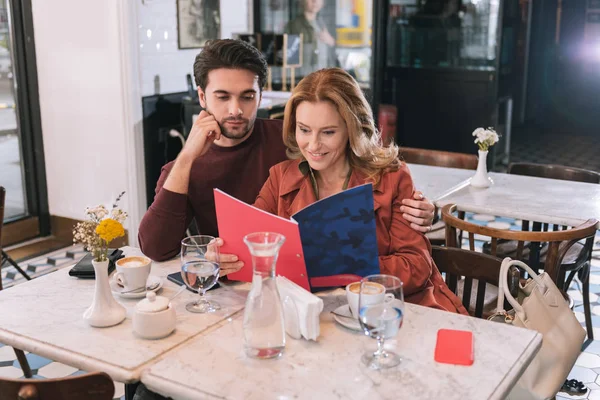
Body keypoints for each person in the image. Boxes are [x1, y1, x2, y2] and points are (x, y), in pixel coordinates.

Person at [138, 39, 435, 269]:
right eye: (222, 96)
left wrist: (422, 207)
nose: (235, 110)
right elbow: (155, 248)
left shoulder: (292, 139)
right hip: (256, 282)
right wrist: (187, 158)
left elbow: (374, 171)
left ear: (261, 95)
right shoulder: (187, 167)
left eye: (247, 96)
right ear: (202, 96)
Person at [212, 68, 467, 314]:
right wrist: (222, 256)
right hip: (313, 316)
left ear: (351, 129)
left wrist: (343, 266)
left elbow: (417, 267)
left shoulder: (391, 177)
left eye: (328, 132)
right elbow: (251, 247)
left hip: (391, 311)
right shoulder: (280, 177)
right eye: (304, 130)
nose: (313, 145)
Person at [285, 0, 337, 77]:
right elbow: (287, 54)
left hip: (323, 76)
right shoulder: (294, 25)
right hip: (303, 76)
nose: (315, 1)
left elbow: (333, 51)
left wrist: (331, 41)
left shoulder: (324, 23)